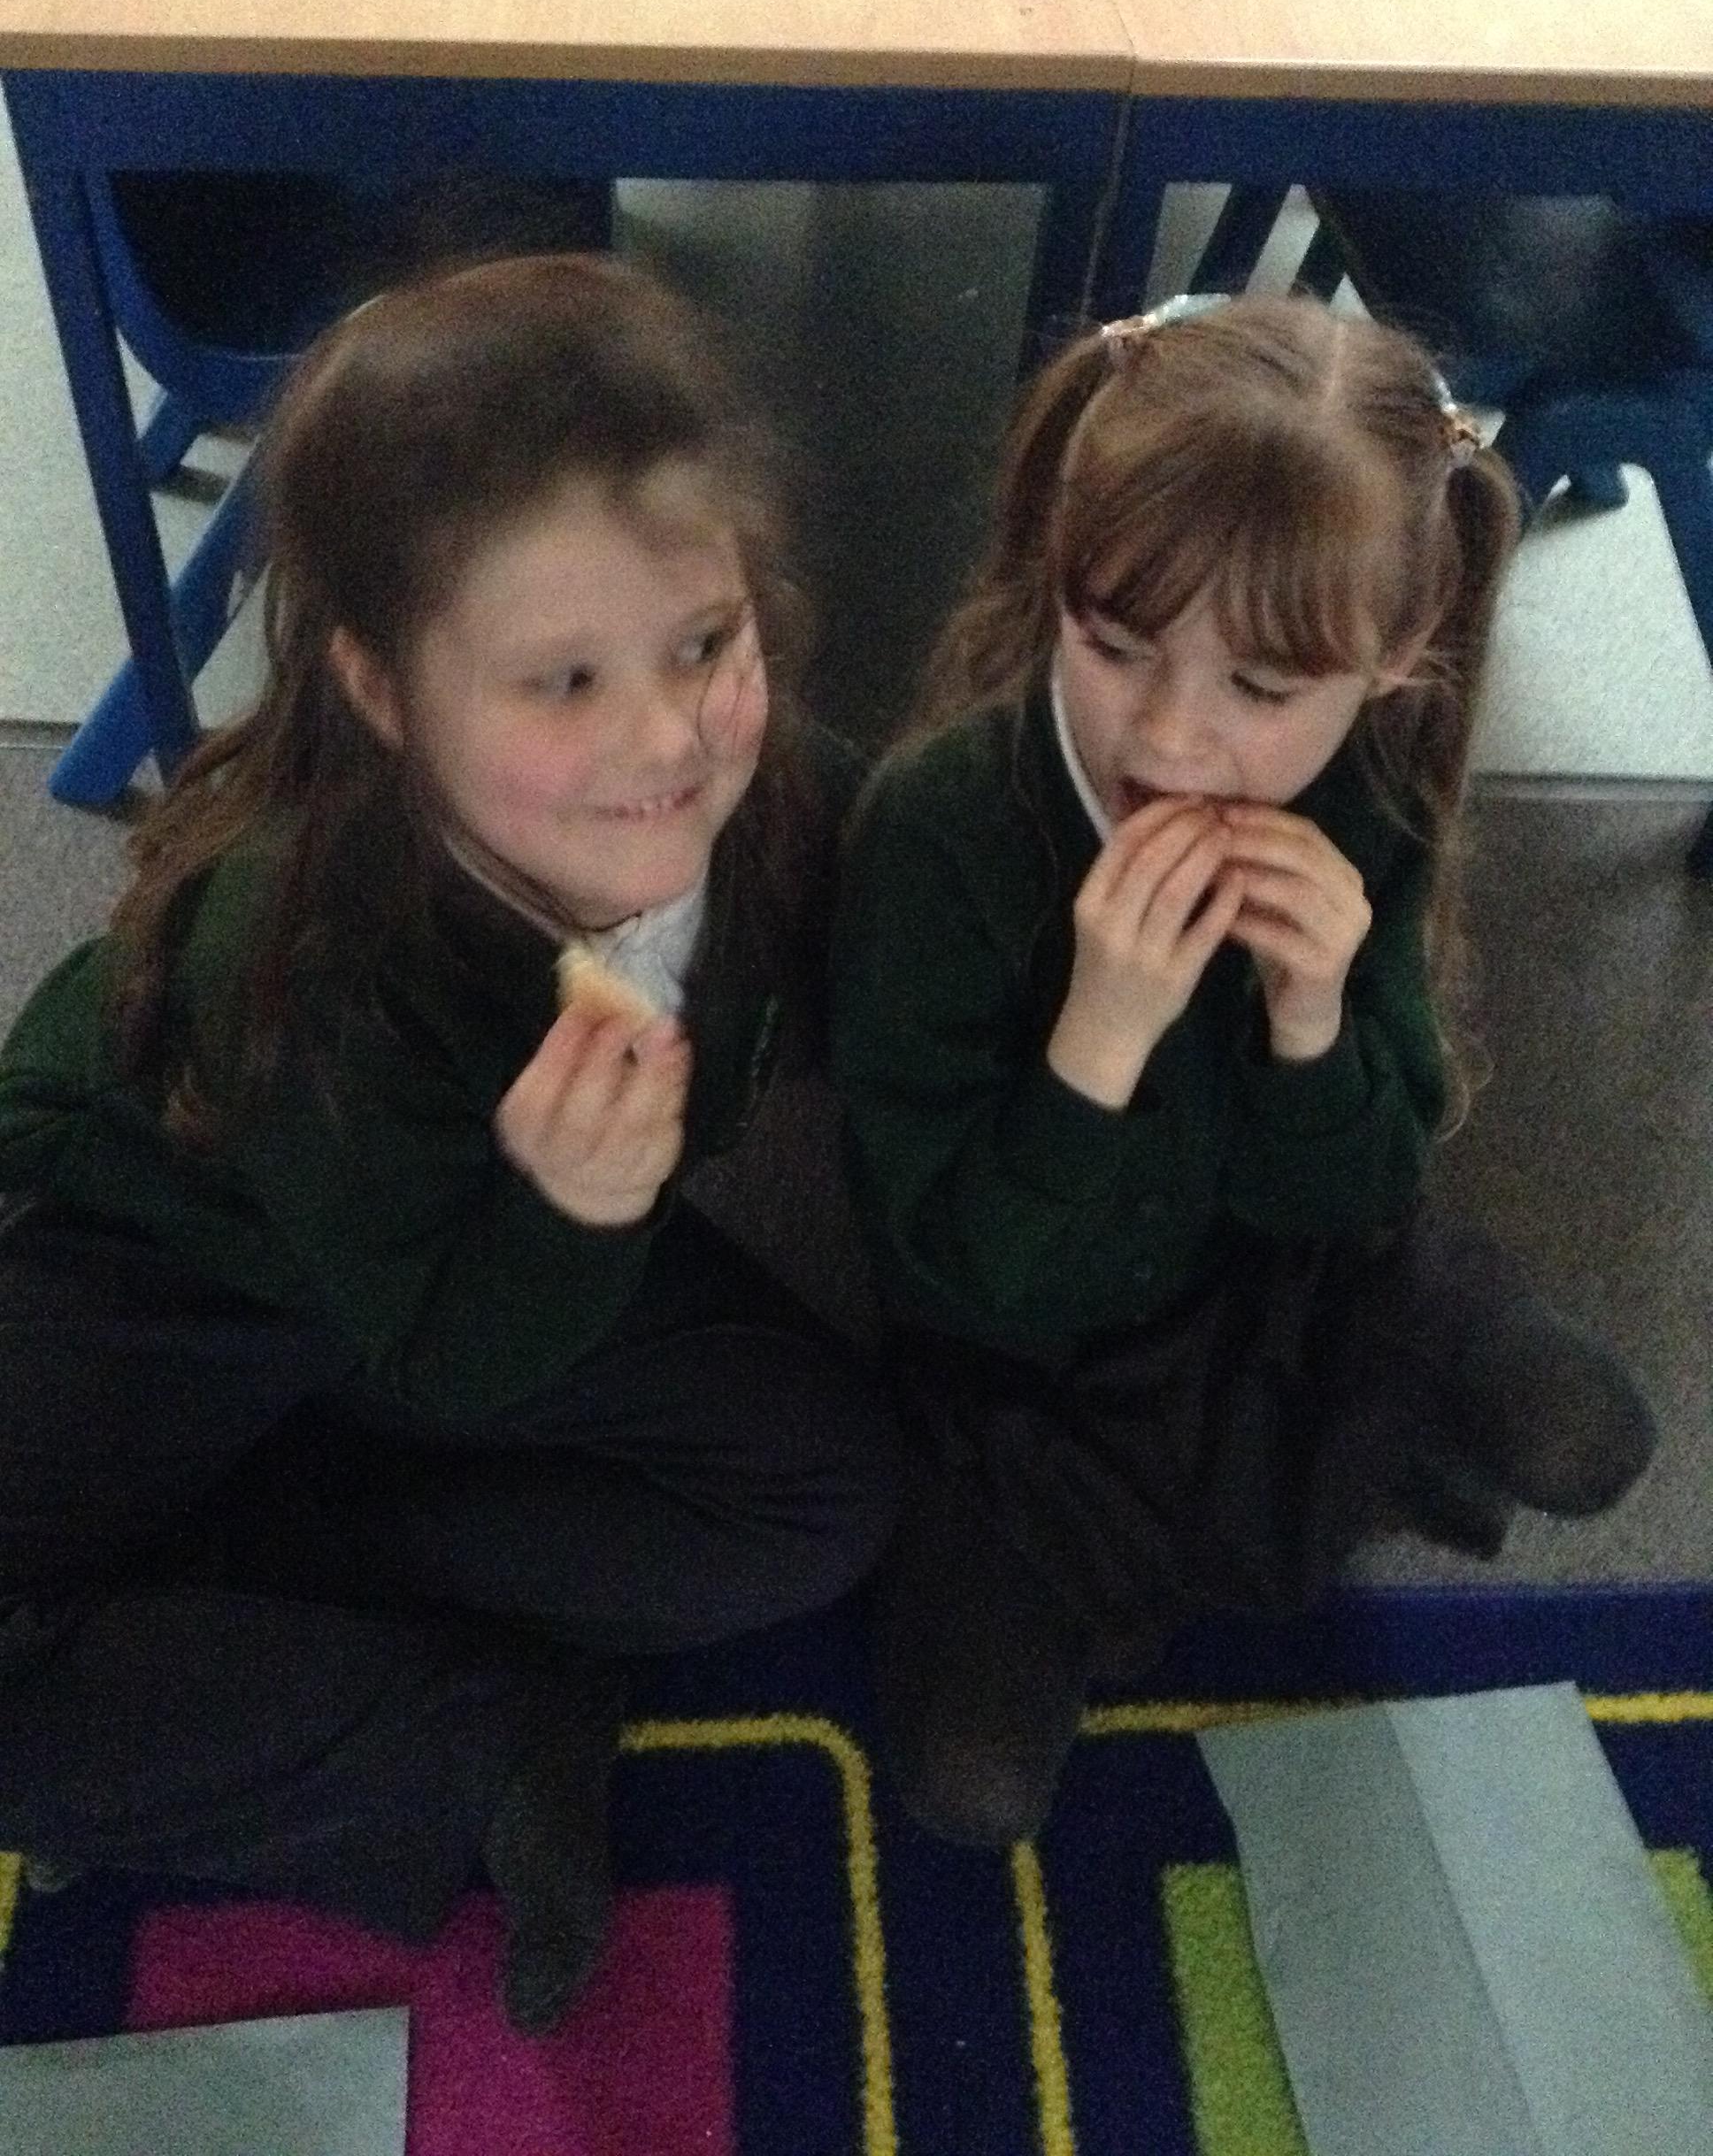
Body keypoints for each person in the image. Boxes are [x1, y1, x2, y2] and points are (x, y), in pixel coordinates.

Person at [0, 254, 896, 2030]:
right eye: (561, 680)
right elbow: (442, 1347)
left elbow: (924, 937)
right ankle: (465, 1732)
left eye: (704, 645)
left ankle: (227, 1568)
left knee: (827, 1497)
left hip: (479, 1262)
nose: (665, 739)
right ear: (388, 693)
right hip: (166, 1253)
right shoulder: (309, 950)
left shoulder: (771, 788)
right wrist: (573, 1217)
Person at [830, 292, 1655, 1848]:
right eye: (1113, 646)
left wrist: (1312, 1019)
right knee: (969, 1789)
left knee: (1588, 1438)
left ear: (1393, 660)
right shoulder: (940, 833)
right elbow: (948, 1276)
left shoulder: (1365, 804)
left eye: (1262, 692)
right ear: (1057, 575)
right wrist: (1097, 1044)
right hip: (1026, 1372)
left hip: (1289, 1287)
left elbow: (1361, 1197)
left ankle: (1311, 1454)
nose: (1172, 738)